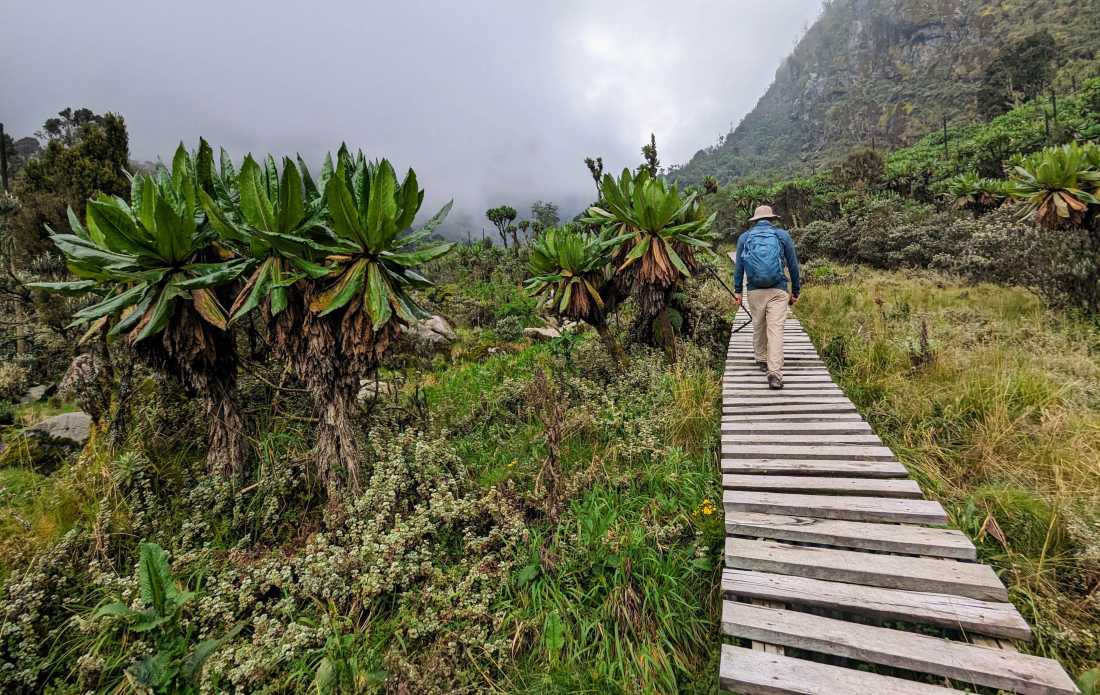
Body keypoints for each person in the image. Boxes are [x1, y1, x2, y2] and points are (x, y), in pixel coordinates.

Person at [732, 205, 801, 390]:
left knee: (758, 324)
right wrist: (795, 291)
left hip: (754, 290)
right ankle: (775, 373)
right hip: (778, 290)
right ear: (772, 219)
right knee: (776, 330)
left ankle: (762, 359)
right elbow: (793, 266)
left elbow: (738, 267)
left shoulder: (745, 238)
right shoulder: (782, 236)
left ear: (755, 220)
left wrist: (738, 291)